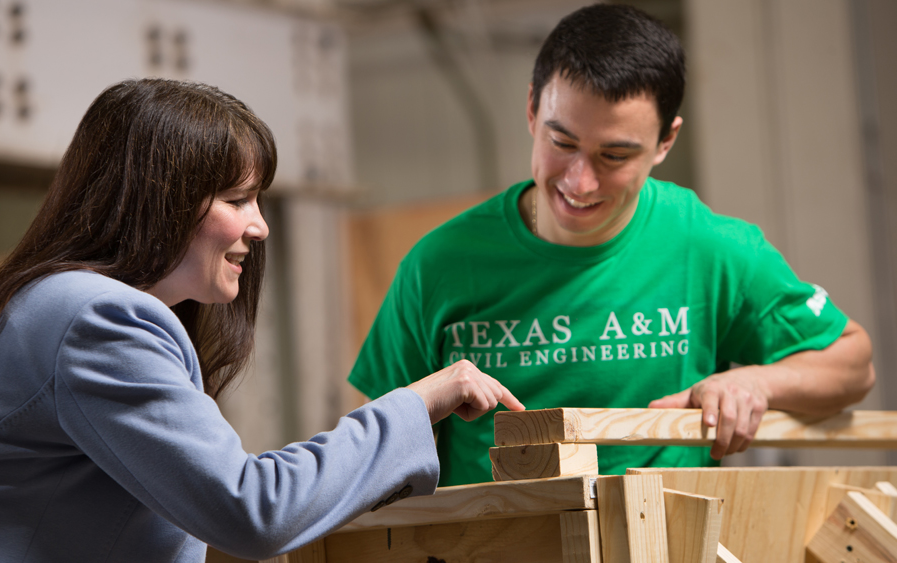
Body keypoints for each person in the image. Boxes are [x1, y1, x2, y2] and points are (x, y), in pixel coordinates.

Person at [0, 78, 523, 562]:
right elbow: (253, 510)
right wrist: (419, 403)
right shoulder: (95, 318)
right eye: (237, 199)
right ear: (158, 200)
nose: (260, 226)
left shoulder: (55, 306)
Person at [347, 3, 875, 487]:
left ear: (665, 141)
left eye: (614, 156)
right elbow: (377, 449)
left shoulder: (709, 248)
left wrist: (757, 383)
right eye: (562, 142)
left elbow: (853, 364)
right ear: (531, 109)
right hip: (488, 540)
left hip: (663, 538)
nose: (579, 182)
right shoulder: (440, 264)